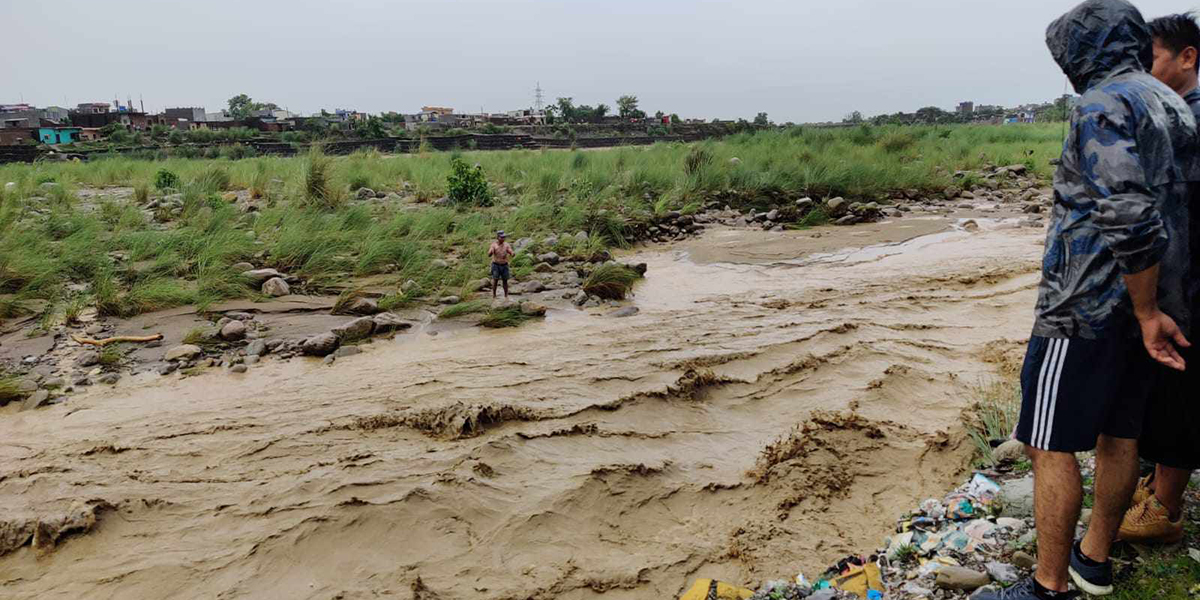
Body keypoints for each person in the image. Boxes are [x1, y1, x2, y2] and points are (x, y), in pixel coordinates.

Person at [974, 1, 1198, 598]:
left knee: (1048, 443)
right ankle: (1092, 560)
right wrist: (1154, 308)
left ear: (1085, 49)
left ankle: (1049, 585)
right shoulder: (1169, 101)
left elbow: (1128, 216)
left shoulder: (1101, 103)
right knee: (1119, 435)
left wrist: (1148, 311)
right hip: (1146, 306)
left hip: (1083, 307)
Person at [1117, 11, 1200, 546]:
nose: (1143, 70)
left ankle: (1164, 510)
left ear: (1188, 57)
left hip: (1187, 285)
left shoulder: (1190, 120)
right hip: (1178, 280)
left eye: (1152, 58)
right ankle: (1159, 487)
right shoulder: (1173, 113)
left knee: (1181, 386)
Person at [488, 230, 515, 298]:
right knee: (495, 280)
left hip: (504, 265)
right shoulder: (494, 245)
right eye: (501, 237)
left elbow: (510, 250)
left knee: (505, 281)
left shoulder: (506, 245)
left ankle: (506, 295)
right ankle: (494, 295)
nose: (503, 239)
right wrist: (491, 252)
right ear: (497, 237)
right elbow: (489, 253)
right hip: (496, 265)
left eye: (504, 237)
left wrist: (512, 253)